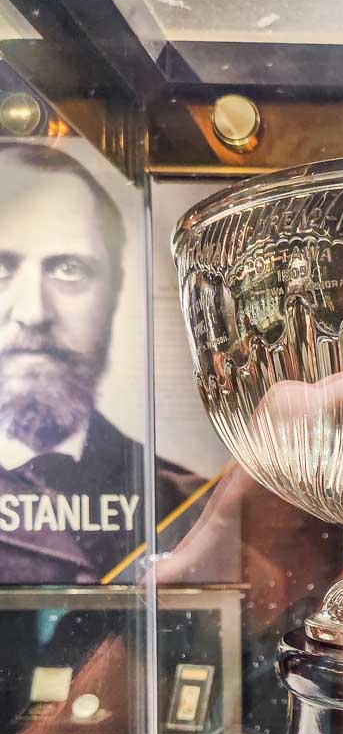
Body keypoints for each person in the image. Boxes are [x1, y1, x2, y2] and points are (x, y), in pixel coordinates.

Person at [0, 143, 201, 584]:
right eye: (1, 268)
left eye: (69, 269)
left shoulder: (187, 503)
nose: (33, 312)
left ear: (114, 293)